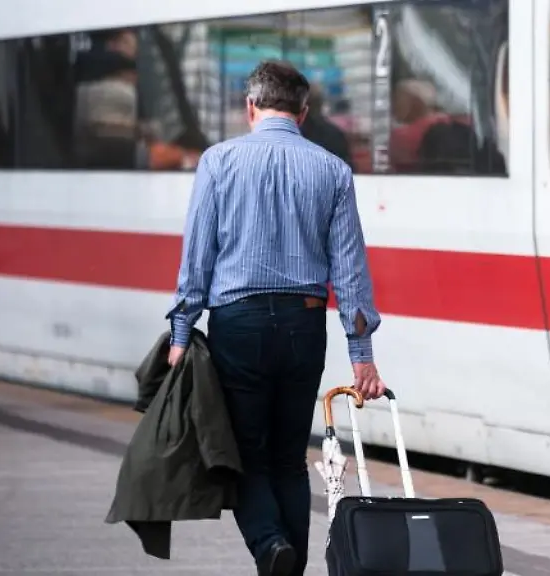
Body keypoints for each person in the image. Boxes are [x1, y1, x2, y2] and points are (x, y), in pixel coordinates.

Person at [165, 60, 386, 576]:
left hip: (237, 325)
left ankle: (270, 546)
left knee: (244, 453)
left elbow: (197, 257)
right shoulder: (333, 170)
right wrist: (362, 356)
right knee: (290, 458)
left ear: (250, 107)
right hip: (302, 324)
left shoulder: (218, 162)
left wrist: (181, 332)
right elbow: (350, 271)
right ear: (303, 113)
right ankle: (291, 565)